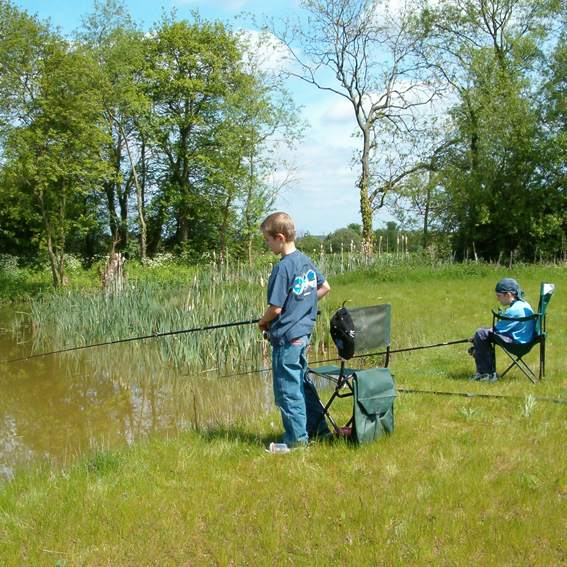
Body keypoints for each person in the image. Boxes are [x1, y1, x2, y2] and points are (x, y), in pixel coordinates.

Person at [258, 212, 332, 446]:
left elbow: (276, 309)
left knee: (287, 391)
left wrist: (262, 320)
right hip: (303, 334)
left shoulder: (283, 268)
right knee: (302, 384)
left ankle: (296, 442)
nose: (267, 245)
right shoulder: (304, 260)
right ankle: (319, 431)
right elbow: (324, 287)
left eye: (268, 240)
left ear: (279, 238)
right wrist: (302, 308)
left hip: (287, 338)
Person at [469, 278, 535, 382]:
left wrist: (477, 343)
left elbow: (493, 331)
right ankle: (488, 372)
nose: (497, 299)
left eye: (499, 296)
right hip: (525, 341)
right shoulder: (524, 304)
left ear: (508, 295)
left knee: (481, 333)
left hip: (518, 344)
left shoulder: (513, 311)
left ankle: (485, 375)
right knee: (483, 334)